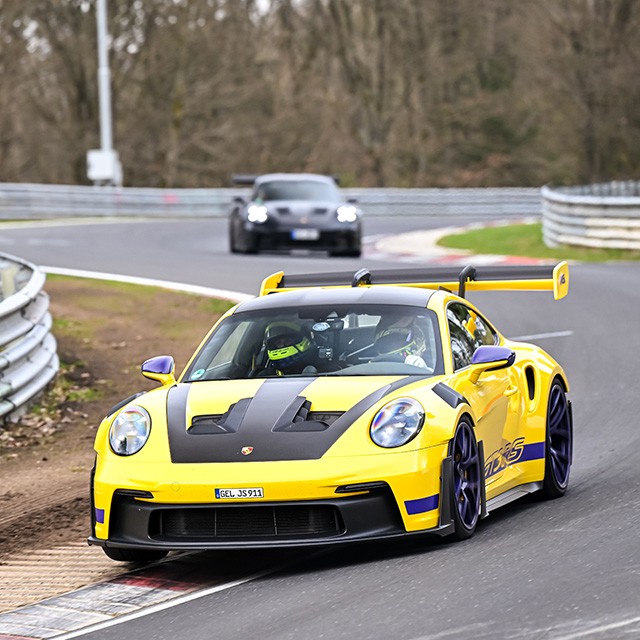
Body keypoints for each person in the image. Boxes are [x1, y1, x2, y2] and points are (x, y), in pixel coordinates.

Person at [259, 320, 332, 376]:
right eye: (278, 343)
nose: (283, 346)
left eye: (288, 341)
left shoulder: (326, 372)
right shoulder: (264, 376)